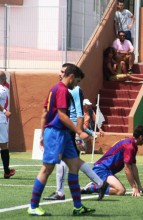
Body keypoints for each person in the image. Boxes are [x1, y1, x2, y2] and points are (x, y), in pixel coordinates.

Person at [27, 64, 96, 216]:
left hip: (61, 134)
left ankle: (78, 207)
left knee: (73, 165)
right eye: (77, 81)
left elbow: (45, 113)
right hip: (56, 133)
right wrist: (79, 131)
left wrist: (43, 133)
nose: (76, 84)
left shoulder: (54, 89)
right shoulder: (62, 91)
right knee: (47, 169)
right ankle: (33, 206)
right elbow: (62, 115)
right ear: (71, 77)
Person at [43, 64, 104, 201]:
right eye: (60, 71)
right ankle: (100, 183)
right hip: (66, 128)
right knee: (73, 160)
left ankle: (60, 193)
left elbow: (80, 112)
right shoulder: (61, 89)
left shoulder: (75, 89)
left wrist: (78, 132)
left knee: (64, 160)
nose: (61, 74)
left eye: (63, 71)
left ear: (69, 74)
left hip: (69, 128)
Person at [81, 125, 143, 198]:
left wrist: (139, 185)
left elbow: (133, 167)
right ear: (141, 137)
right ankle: (92, 188)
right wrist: (134, 187)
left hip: (107, 171)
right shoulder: (129, 146)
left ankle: (97, 185)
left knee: (120, 190)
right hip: (101, 169)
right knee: (120, 191)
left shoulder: (133, 146)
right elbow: (127, 169)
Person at [0, 71, 15, 179]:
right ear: (4, 79)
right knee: (4, 145)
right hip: (0, 120)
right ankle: (6, 171)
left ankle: (7, 171)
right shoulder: (3, 89)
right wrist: (5, 111)